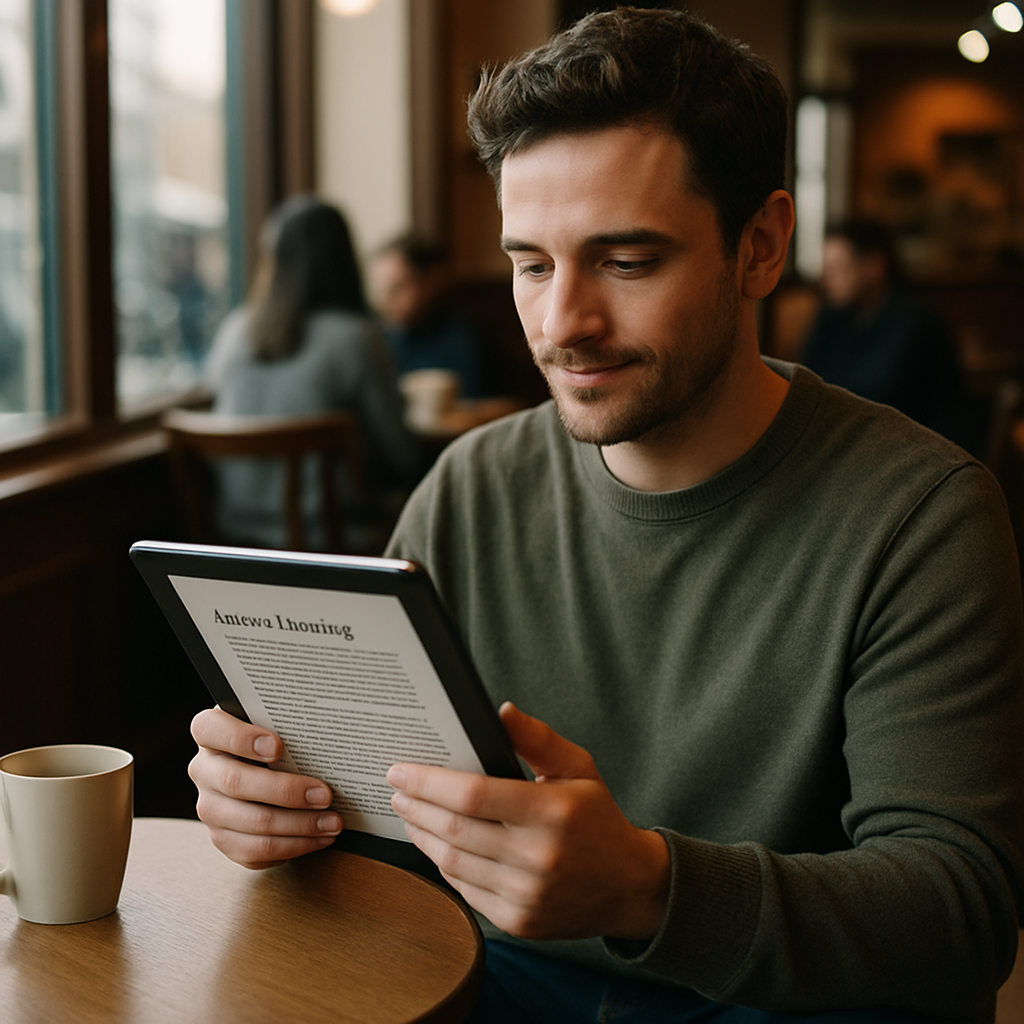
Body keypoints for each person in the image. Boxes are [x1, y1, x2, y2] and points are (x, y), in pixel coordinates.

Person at [189, 10, 1024, 1023]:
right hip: (496, 977)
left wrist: (646, 886)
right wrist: (285, 813)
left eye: (625, 261)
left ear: (759, 248)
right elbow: (390, 831)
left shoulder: (921, 514)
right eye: (531, 263)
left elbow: (958, 912)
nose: (560, 323)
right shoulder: (470, 486)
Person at [204, 195, 421, 550]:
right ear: (343, 258)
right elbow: (403, 457)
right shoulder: (356, 338)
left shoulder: (233, 330)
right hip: (335, 540)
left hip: (234, 538)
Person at [800, 218, 989, 456]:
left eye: (839, 270)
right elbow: (807, 381)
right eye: (826, 271)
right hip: (856, 450)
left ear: (875, 266)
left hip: (917, 457)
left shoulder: (915, 324)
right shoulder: (832, 317)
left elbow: (873, 397)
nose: (827, 281)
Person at [369, 232, 489, 398]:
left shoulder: (461, 337)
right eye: (380, 290)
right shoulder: (372, 337)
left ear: (431, 281)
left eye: (398, 288)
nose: (386, 300)